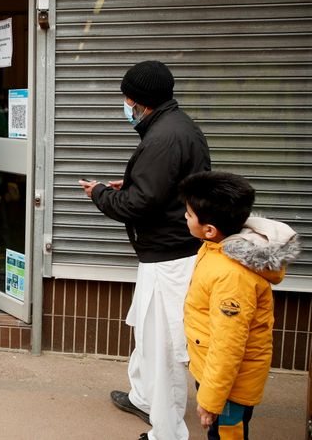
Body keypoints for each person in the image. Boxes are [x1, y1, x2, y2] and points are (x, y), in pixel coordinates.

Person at [79, 60, 211, 440]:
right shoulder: (179, 126)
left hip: (170, 259)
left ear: (139, 100)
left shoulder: (163, 137)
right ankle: (143, 398)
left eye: (126, 96)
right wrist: (134, 183)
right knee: (148, 337)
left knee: (165, 348)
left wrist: (101, 193)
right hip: (167, 252)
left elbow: (138, 206)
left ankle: (166, 432)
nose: (125, 103)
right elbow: (166, 186)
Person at [179, 171, 299, 440]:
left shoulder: (232, 275)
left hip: (228, 385)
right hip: (218, 376)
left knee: (225, 434)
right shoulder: (216, 247)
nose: (184, 218)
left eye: (188, 215)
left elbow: (228, 344)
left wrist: (210, 400)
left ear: (209, 229)